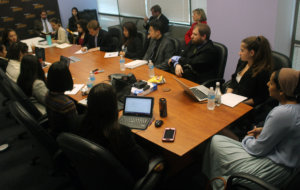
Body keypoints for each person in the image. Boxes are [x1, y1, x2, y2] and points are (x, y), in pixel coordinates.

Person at [202, 68, 300, 190]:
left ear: (281, 90)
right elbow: (286, 132)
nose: (267, 84)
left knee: (216, 143)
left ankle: (218, 184)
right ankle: (214, 181)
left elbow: (257, 149)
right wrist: (264, 130)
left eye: (271, 83)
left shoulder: (281, 112)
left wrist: (247, 138)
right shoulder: (293, 107)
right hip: (281, 161)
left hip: (272, 168)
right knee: (216, 140)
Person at [77, 83, 149, 180]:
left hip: (96, 177)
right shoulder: (121, 133)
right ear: (114, 107)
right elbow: (142, 168)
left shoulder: (80, 123)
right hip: (123, 180)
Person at [226, 36, 273, 106]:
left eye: (242, 50)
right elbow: (234, 79)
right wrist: (227, 95)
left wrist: (240, 104)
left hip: (246, 106)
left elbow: (260, 98)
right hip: (233, 100)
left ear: (251, 53)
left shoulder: (263, 72)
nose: (239, 53)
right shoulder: (243, 62)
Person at [45, 61, 78, 138]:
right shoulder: (67, 104)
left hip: (56, 131)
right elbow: (75, 127)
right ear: (67, 79)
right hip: (70, 137)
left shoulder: (47, 94)